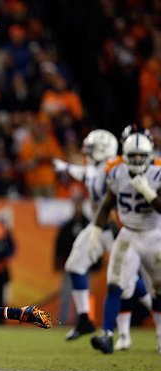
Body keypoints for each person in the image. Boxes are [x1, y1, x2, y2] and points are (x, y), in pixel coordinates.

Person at [89, 133, 161, 354]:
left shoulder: (158, 173)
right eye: (134, 155)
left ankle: (160, 337)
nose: (138, 159)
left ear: (150, 155)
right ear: (125, 156)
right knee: (115, 284)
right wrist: (95, 231)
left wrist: (148, 192)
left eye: (142, 155)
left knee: (159, 290)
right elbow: (107, 203)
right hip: (128, 234)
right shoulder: (117, 172)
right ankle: (108, 336)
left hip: (154, 235)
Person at [52, 129, 119, 339]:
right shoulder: (95, 167)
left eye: (91, 148)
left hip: (116, 227)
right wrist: (65, 167)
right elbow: (85, 173)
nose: (87, 152)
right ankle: (84, 319)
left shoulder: (116, 169)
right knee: (74, 265)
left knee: (128, 278)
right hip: (98, 226)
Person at [53, 196, 89, 325]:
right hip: (70, 266)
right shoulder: (68, 225)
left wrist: (96, 263)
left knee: (83, 296)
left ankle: (82, 322)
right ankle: (62, 321)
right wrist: (57, 263)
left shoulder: (88, 224)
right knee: (66, 296)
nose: (78, 208)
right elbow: (59, 245)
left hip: (85, 266)